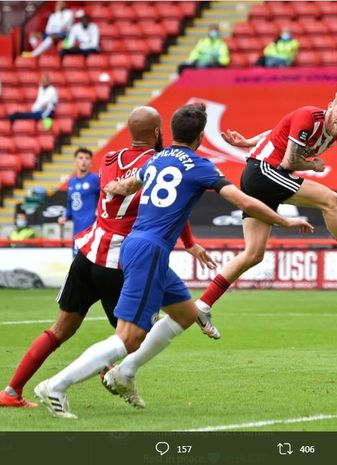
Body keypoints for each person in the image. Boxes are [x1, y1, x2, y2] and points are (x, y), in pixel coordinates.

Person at [34, 104, 314, 418]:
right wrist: (284, 221)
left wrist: (113, 187)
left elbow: (127, 184)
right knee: (128, 338)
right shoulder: (199, 165)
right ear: (200, 136)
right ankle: (55, 386)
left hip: (136, 245)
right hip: (150, 251)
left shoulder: (159, 158)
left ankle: (124, 374)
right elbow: (244, 200)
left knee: (184, 314)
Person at [0, 106, 215, 409]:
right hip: (119, 262)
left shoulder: (110, 158)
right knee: (132, 338)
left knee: (59, 330)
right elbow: (170, 206)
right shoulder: (160, 163)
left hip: (87, 255)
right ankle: (91, 375)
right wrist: (190, 243)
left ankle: (11, 391)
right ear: (156, 133)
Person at [193, 85, 337, 340]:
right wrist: (313, 165)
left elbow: (277, 132)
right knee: (330, 199)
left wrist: (248, 141)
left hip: (262, 175)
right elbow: (289, 162)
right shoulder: (309, 117)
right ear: (330, 106)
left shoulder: (330, 136)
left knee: (253, 254)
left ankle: (203, 305)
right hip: (263, 173)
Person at [58, 147, 100, 255]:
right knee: (77, 266)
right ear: (75, 161)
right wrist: (65, 217)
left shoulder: (95, 179)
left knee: (91, 265)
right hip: (77, 233)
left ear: (91, 162)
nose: (84, 161)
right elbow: (70, 207)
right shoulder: (71, 182)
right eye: (81, 158)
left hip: (92, 231)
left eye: (87, 158)